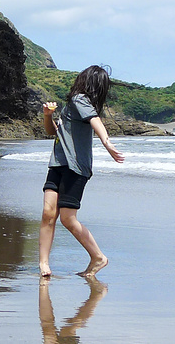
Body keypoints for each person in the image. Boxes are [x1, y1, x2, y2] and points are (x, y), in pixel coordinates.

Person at [38, 65, 125, 278]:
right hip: (58, 164)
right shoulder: (74, 104)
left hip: (75, 168)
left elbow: (96, 122)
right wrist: (47, 116)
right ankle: (43, 264)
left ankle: (98, 257)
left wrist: (107, 142)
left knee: (67, 218)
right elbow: (54, 132)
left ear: (84, 80)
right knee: (49, 213)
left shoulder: (80, 99)